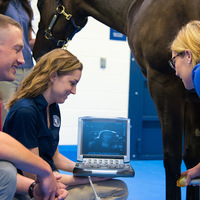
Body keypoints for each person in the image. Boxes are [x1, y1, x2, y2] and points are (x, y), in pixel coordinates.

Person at [3, 48, 129, 200]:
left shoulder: (53, 107)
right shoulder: (26, 112)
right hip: (33, 191)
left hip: (51, 178)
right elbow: (34, 175)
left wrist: (87, 169)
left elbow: (54, 157)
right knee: (119, 189)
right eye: (72, 83)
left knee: (116, 184)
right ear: (53, 76)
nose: (74, 91)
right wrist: (84, 178)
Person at [0, 14, 68, 200]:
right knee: (5, 170)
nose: (23, 60)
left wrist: (33, 189)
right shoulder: (25, 111)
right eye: (17, 49)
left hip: (35, 182)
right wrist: (45, 170)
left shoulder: (53, 109)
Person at [169, 20, 200, 186]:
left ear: (188, 55)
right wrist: (196, 170)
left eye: (174, 61)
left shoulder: (199, 73)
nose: (175, 72)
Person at [0, 0, 35, 126]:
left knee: (26, 111)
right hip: (7, 65)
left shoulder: (25, 5)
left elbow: (28, 41)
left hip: (28, 66)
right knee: (7, 113)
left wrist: (51, 40)